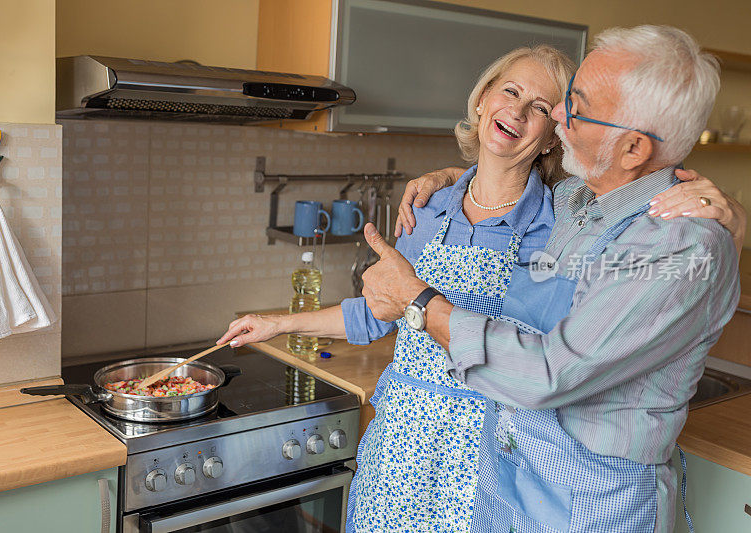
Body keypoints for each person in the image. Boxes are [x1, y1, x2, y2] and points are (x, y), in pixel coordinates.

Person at [220, 34, 743, 533]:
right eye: (511, 92)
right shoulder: (496, 206)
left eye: (559, 105)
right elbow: (377, 308)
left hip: (502, 455)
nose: (550, 112)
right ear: (481, 99)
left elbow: (548, 371)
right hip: (438, 447)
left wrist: (730, 214)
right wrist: (278, 322)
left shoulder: (564, 214)